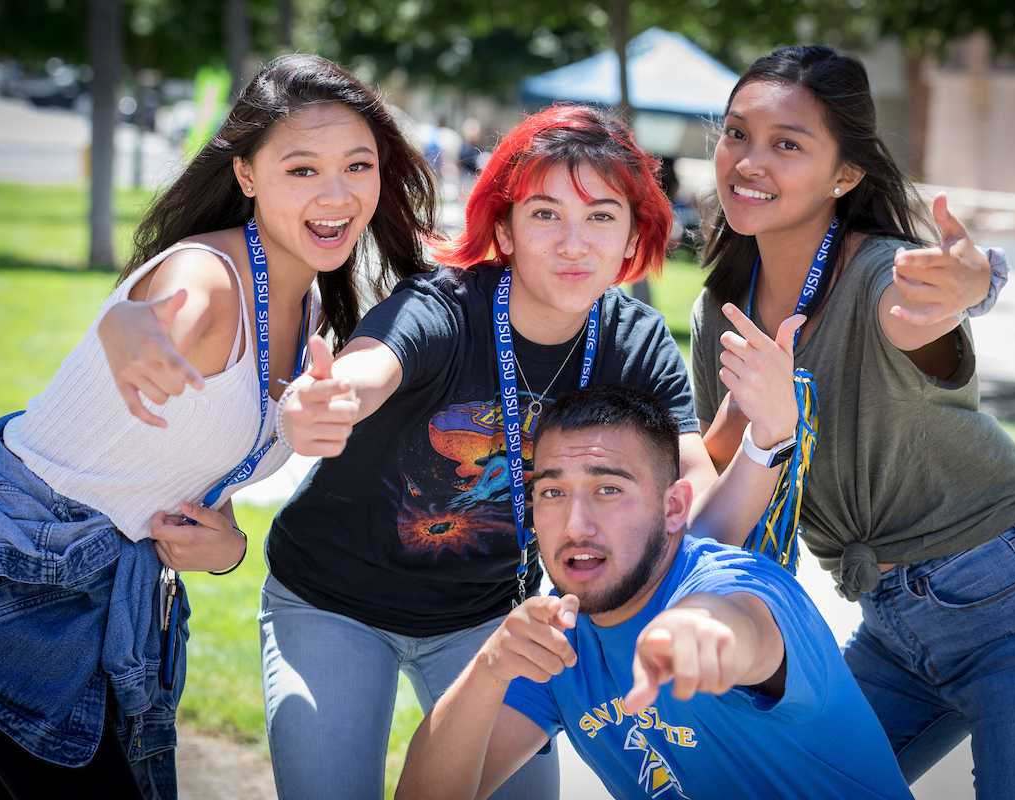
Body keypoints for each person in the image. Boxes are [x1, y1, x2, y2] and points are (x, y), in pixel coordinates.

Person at [258, 104, 799, 799]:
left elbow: (693, 518)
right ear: (506, 228)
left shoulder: (634, 342)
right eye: (546, 215)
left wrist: (767, 436)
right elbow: (372, 365)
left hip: (488, 615)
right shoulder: (445, 304)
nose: (574, 243)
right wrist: (326, 401)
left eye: (601, 216)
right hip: (332, 600)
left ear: (634, 233)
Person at [0, 54, 436, 800]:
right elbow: (167, 307)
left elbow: (198, 463)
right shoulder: (209, 277)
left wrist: (228, 546)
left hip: (111, 595)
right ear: (247, 176)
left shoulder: (315, 308)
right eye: (302, 169)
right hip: (10, 572)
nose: (336, 194)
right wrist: (130, 325)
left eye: (357, 165)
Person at [689, 45, 1015, 797]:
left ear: (846, 174)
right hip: (894, 633)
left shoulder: (885, 277)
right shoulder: (716, 310)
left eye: (787, 144)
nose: (749, 161)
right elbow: (721, 485)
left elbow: (925, 306)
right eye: (735, 134)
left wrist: (970, 285)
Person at [395, 384, 914, 800]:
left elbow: (737, 623)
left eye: (608, 490)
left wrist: (696, 634)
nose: (576, 524)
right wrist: (490, 669)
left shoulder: (736, 583)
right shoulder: (561, 642)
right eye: (553, 493)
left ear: (673, 509)